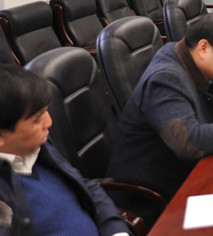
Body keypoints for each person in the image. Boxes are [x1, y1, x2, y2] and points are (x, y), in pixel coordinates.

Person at [106, 12, 213, 199]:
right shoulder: (165, 79)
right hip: (155, 196)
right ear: (204, 47)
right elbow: (189, 142)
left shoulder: (195, 58)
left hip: (195, 173)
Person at [0, 65, 130, 236]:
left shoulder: (38, 145)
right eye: (37, 119)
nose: (49, 122)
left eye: (45, 111)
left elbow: (85, 186)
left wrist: (116, 230)